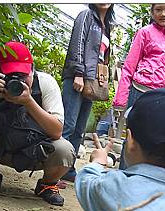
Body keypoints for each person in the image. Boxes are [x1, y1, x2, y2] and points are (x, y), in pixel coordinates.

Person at [0, 41, 75, 206]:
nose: (18, 81)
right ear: (0, 73)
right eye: (11, 75)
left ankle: (47, 184)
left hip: (37, 151)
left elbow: (57, 132)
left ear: (32, 69)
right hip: (3, 148)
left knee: (65, 149)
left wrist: (29, 102)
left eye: (23, 76)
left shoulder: (45, 83)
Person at [112, 4, 165, 170]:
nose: (163, 14)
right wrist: (121, 99)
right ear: (152, 12)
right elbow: (129, 67)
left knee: (157, 141)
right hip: (140, 93)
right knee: (133, 138)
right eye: (158, 10)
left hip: (164, 97)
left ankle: (143, 183)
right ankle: (124, 178)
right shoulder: (144, 33)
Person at [60, 4, 115, 183]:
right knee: (67, 125)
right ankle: (54, 169)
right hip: (78, 78)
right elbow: (77, 44)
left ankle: (68, 168)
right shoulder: (86, 16)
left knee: (79, 128)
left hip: (91, 81)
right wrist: (78, 73)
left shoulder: (107, 24)